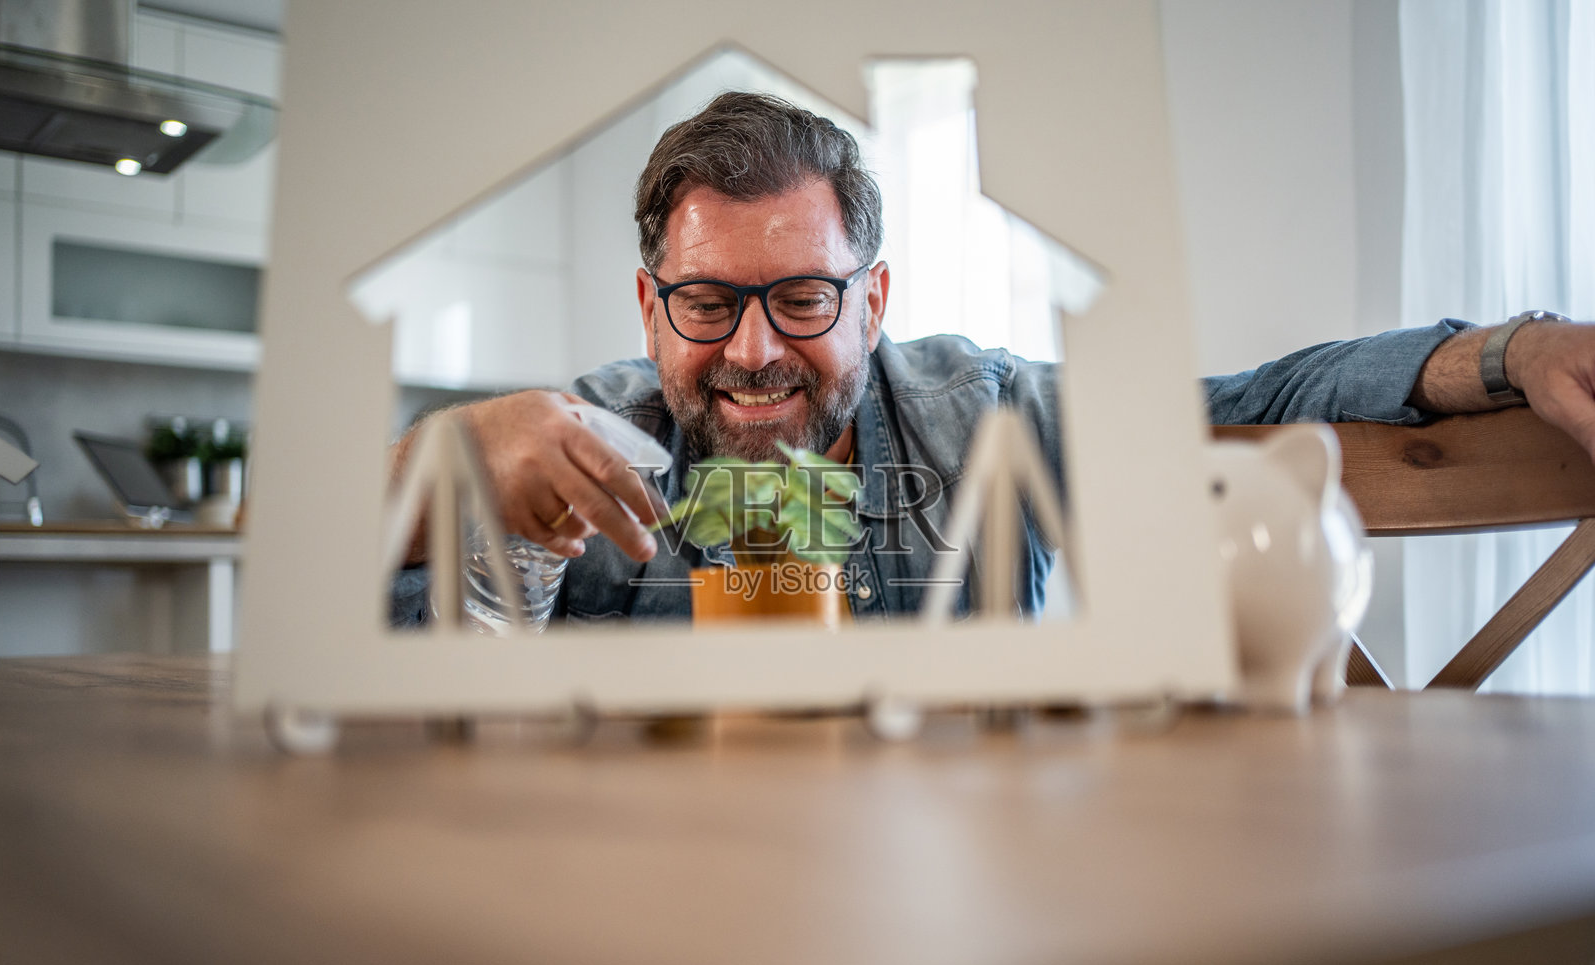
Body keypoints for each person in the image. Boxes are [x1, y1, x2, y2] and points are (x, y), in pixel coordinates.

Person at [392, 90, 1595, 624]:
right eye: (706, 302)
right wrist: (425, 472)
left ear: (873, 301)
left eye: (803, 297)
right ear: (649, 307)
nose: (752, 352)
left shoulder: (981, 413)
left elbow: (1248, 406)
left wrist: (1512, 350)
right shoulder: (579, 447)